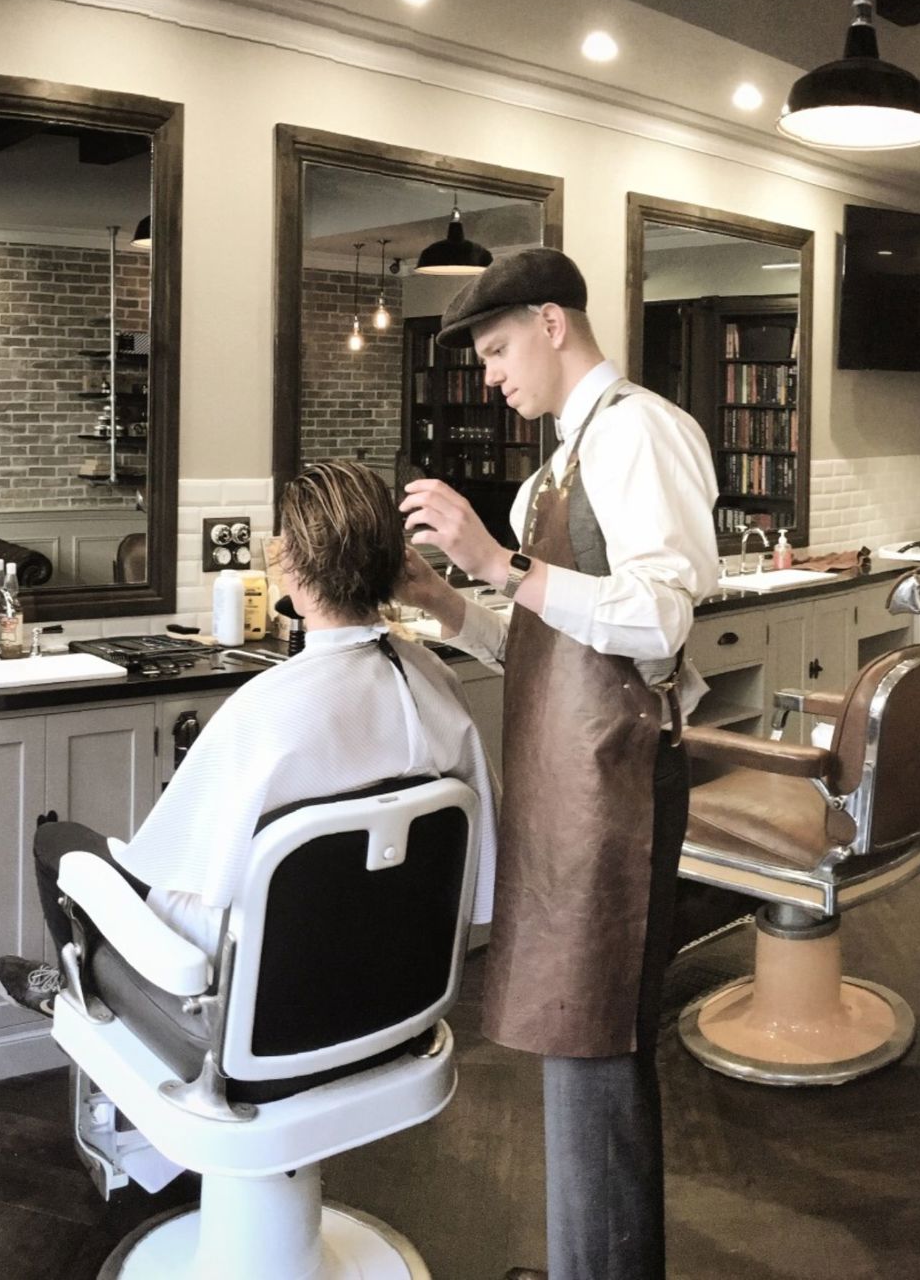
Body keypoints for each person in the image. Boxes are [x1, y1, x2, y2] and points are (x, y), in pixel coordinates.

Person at [397, 247, 720, 1280]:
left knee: (598, 1045)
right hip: (561, 781)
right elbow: (543, 635)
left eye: (495, 350)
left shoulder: (639, 435)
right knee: (568, 1037)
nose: (489, 377)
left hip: (617, 778)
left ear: (550, 320)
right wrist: (454, 601)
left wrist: (498, 561)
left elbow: (658, 620)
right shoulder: (557, 467)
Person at [0, 459, 496, 1014]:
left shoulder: (268, 708)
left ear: (293, 570)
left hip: (247, 996)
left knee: (60, 845)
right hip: (382, 989)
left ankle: (77, 991)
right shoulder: (434, 680)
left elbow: (161, 864)